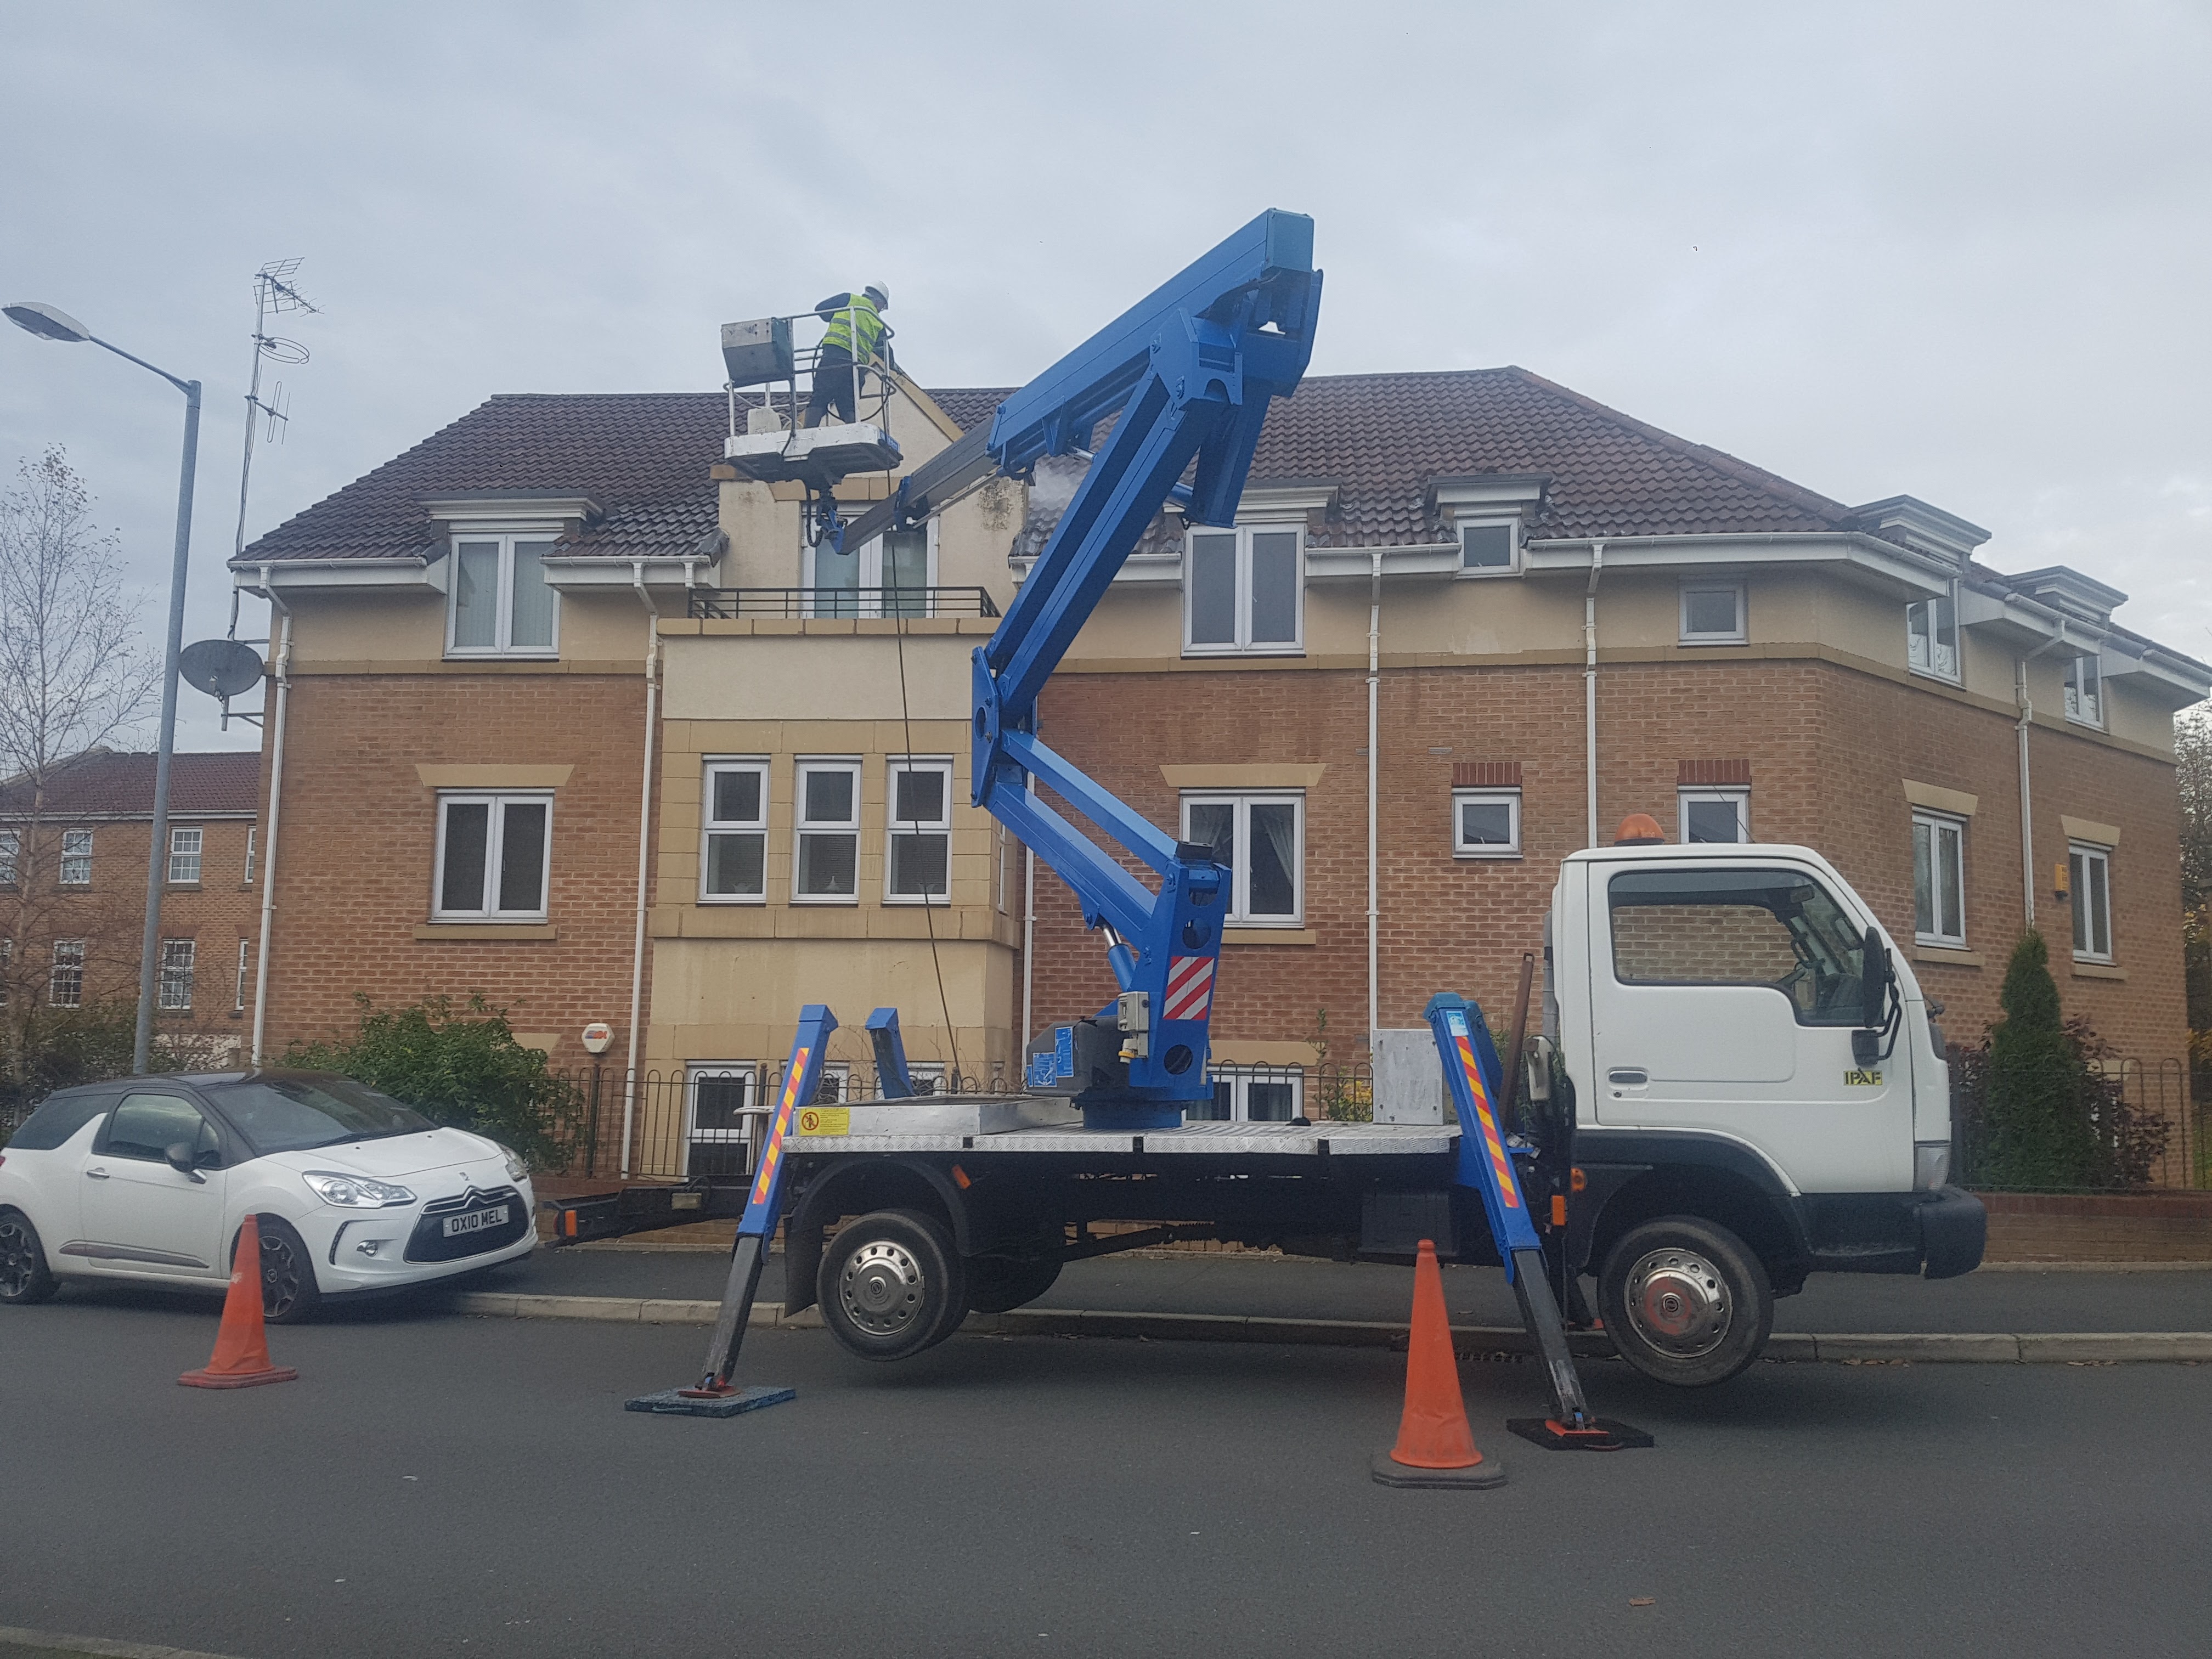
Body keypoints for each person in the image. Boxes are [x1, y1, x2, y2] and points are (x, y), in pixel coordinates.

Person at [802, 284, 892, 427]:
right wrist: (895, 371)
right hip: (856, 368)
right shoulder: (878, 323)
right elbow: (886, 352)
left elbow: (821, 310)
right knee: (848, 404)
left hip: (834, 357)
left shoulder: (848, 299)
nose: (881, 310)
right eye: (883, 307)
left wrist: (836, 316)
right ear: (879, 301)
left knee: (820, 397)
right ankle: (854, 431)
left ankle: (807, 433)